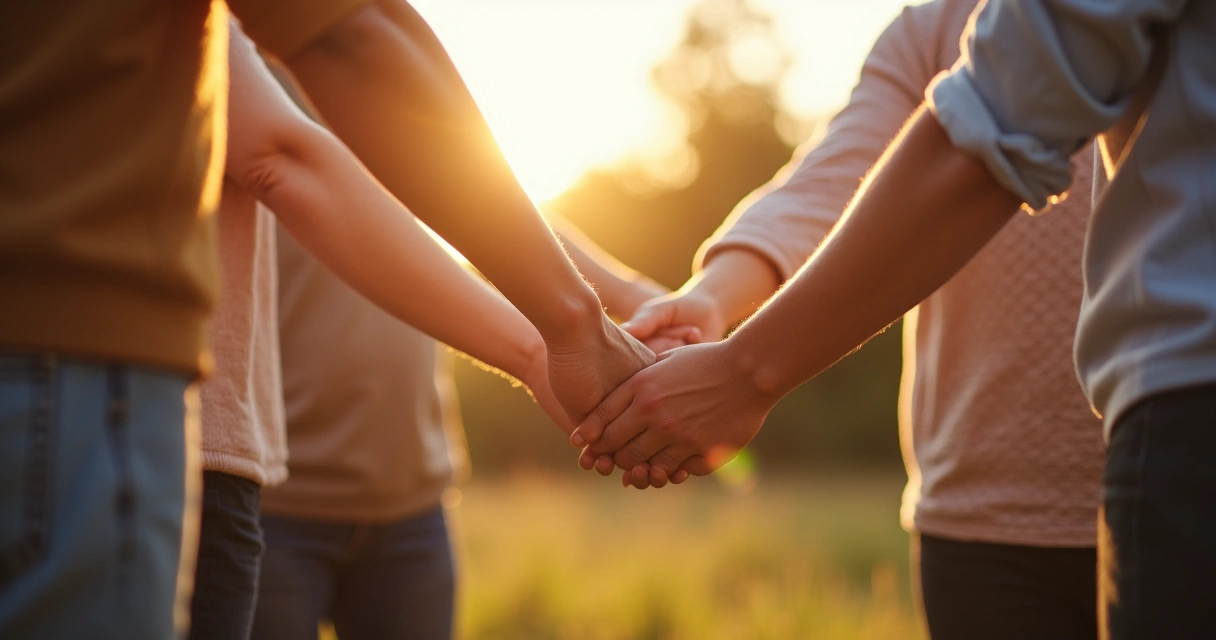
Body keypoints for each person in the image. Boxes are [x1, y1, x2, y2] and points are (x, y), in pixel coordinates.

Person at [1, 0, 648, 636]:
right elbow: (292, 142)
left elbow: (467, 172)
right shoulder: (261, 47)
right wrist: (557, 339)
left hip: (396, 491)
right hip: (100, 391)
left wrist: (618, 298)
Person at [574, 0, 1215, 637]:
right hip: (981, 520)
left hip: (1172, 458)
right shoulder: (932, 29)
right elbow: (834, 180)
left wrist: (743, 374)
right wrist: (713, 298)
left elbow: (989, 133)